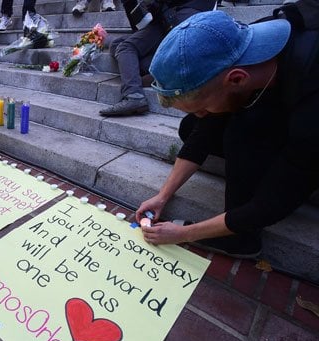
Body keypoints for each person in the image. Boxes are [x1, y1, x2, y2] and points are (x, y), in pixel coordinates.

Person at [136, 10, 319, 258]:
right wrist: (162, 196)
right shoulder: (242, 43)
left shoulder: (311, 98)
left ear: (236, 79)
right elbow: (204, 131)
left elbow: (275, 200)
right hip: (287, 110)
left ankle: (241, 240)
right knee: (194, 127)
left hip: (309, 144)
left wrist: (186, 234)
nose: (202, 114)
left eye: (202, 108)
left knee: (241, 130)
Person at [98, 0, 215, 117]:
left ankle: (134, 95)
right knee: (117, 44)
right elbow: (139, 25)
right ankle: (156, 75)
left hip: (183, 19)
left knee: (126, 47)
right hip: (164, 19)